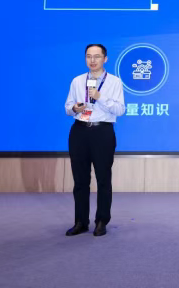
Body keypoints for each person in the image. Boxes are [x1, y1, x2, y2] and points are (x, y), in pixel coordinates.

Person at [64, 44, 125, 237]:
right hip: (79, 131)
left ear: (105, 59)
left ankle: (101, 221)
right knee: (80, 180)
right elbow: (67, 107)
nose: (92, 60)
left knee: (103, 178)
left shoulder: (114, 82)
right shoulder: (77, 80)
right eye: (89, 56)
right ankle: (81, 222)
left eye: (97, 56)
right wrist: (75, 108)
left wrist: (100, 97)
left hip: (102, 132)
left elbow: (120, 110)